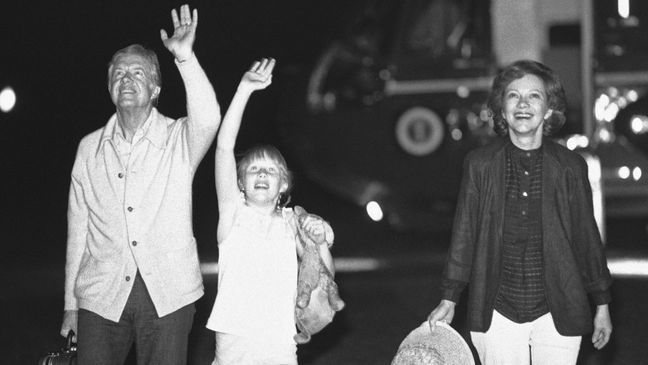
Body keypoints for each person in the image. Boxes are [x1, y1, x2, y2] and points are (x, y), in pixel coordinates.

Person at [59, 4, 220, 364]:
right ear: (109, 87)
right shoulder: (89, 149)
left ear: (155, 87)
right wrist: (71, 305)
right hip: (101, 296)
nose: (126, 80)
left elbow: (209, 119)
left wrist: (185, 59)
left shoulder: (179, 138)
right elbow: (78, 230)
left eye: (138, 73)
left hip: (168, 294)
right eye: (118, 74)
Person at [427, 60, 613, 365]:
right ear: (502, 109)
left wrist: (601, 303)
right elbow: (465, 235)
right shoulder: (480, 164)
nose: (523, 104)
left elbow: (586, 237)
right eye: (513, 96)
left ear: (549, 109)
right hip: (497, 307)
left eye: (534, 96)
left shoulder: (570, 167)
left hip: (559, 306)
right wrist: (450, 296)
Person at [206, 57, 336, 365]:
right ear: (240, 182)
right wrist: (244, 90)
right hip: (235, 335)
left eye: (270, 171)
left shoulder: (294, 223)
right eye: (253, 170)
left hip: (279, 336)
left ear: (283, 186)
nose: (261, 175)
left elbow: (324, 272)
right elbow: (224, 147)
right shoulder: (232, 214)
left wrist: (318, 243)